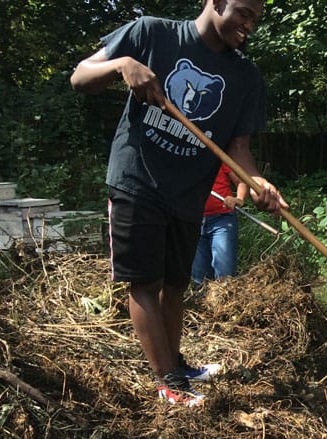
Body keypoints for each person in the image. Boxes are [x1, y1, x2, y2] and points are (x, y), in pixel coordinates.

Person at [70, 0, 287, 407]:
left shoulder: (244, 75)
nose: (249, 25)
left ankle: (177, 363)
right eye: (243, 12)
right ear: (217, 2)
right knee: (146, 283)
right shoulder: (152, 34)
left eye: (255, 18)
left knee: (175, 283)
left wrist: (255, 181)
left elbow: (238, 147)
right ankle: (168, 381)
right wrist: (122, 65)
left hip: (191, 193)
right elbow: (79, 77)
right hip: (138, 179)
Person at [192, 162, 248, 284]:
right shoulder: (185, 159)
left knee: (225, 276)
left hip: (222, 219)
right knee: (199, 278)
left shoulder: (218, 157)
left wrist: (239, 199)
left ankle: (226, 302)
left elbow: (242, 182)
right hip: (194, 221)